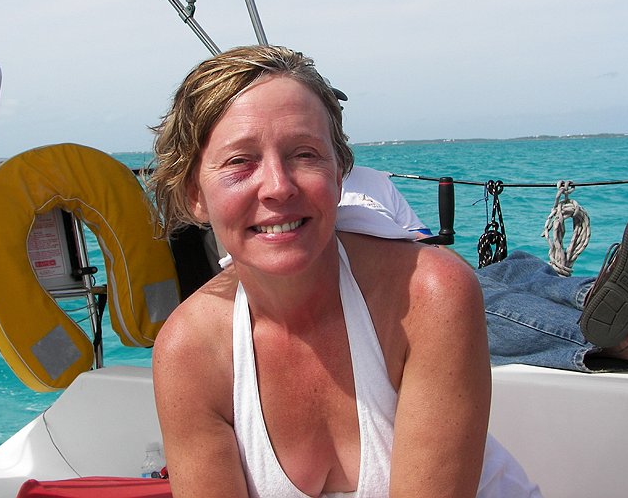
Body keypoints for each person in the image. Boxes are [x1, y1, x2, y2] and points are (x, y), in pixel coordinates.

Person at [148, 45, 541, 497]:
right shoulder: (190, 351)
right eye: (240, 161)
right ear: (195, 194)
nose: (278, 187)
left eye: (305, 154)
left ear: (339, 175)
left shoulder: (427, 295)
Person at [335, 166, 628, 376]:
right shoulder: (315, 191)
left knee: (516, 267)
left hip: (417, 268)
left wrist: (461, 275)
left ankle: (606, 297)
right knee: (461, 303)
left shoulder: (370, 180)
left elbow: (427, 245)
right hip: (377, 302)